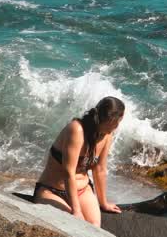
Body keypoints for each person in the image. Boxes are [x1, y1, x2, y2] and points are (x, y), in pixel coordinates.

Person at [34, 96, 125, 229]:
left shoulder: (107, 135)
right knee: (76, 226)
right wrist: (76, 210)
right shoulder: (77, 130)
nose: (118, 125)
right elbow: (68, 172)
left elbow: (99, 169)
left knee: (94, 227)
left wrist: (103, 202)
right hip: (52, 191)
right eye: (118, 120)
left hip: (83, 190)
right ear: (113, 119)